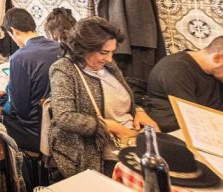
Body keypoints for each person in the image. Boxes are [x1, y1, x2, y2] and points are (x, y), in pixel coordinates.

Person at [49, 17, 160, 179]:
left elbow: (123, 96)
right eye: (103, 53)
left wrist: (138, 111)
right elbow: (64, 117)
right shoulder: (64, 70)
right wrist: (107, 126)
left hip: (127, 140)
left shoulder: (108, 64)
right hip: (95, 153)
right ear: (83, 49)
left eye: (112, 52)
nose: (109, 58)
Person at [0, 8, 62, 153]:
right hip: (61, 122)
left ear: (14, 31)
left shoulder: (19, 57)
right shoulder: (59, 47)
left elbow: (19, 108)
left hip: (37, 130)